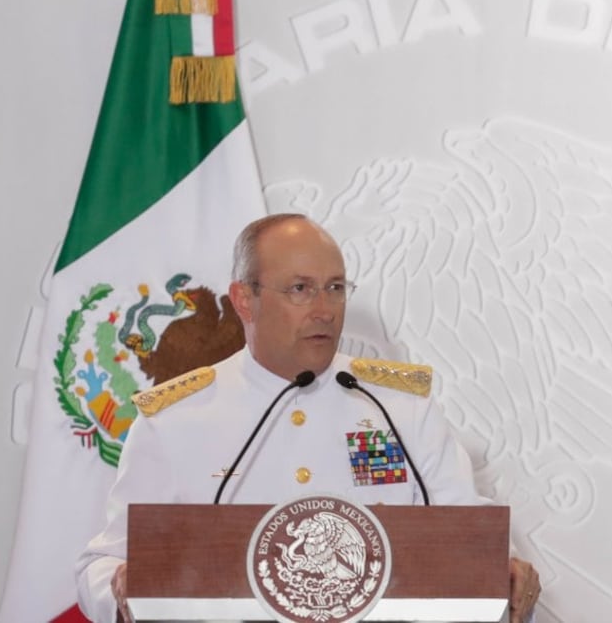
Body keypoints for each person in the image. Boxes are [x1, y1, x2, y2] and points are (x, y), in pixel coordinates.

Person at [75, 213, 541, 622]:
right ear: (243, 300)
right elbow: (102, 564)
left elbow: (463, 526)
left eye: (335, 288)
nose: (324, 310)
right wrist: (119, 587)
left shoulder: (395, 405)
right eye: (300, 289)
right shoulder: (175, 419)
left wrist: (505, 565)